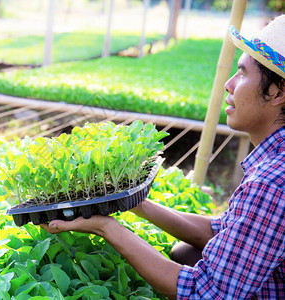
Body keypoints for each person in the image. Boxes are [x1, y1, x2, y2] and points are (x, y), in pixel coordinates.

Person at [41, 14, 285, 299]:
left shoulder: (272, 181)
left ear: (279, 92)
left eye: (242, 73)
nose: (228, 84)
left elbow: (206, 294)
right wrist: (135, 202)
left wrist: (108, 228)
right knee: (186, 251)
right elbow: (221, 230)